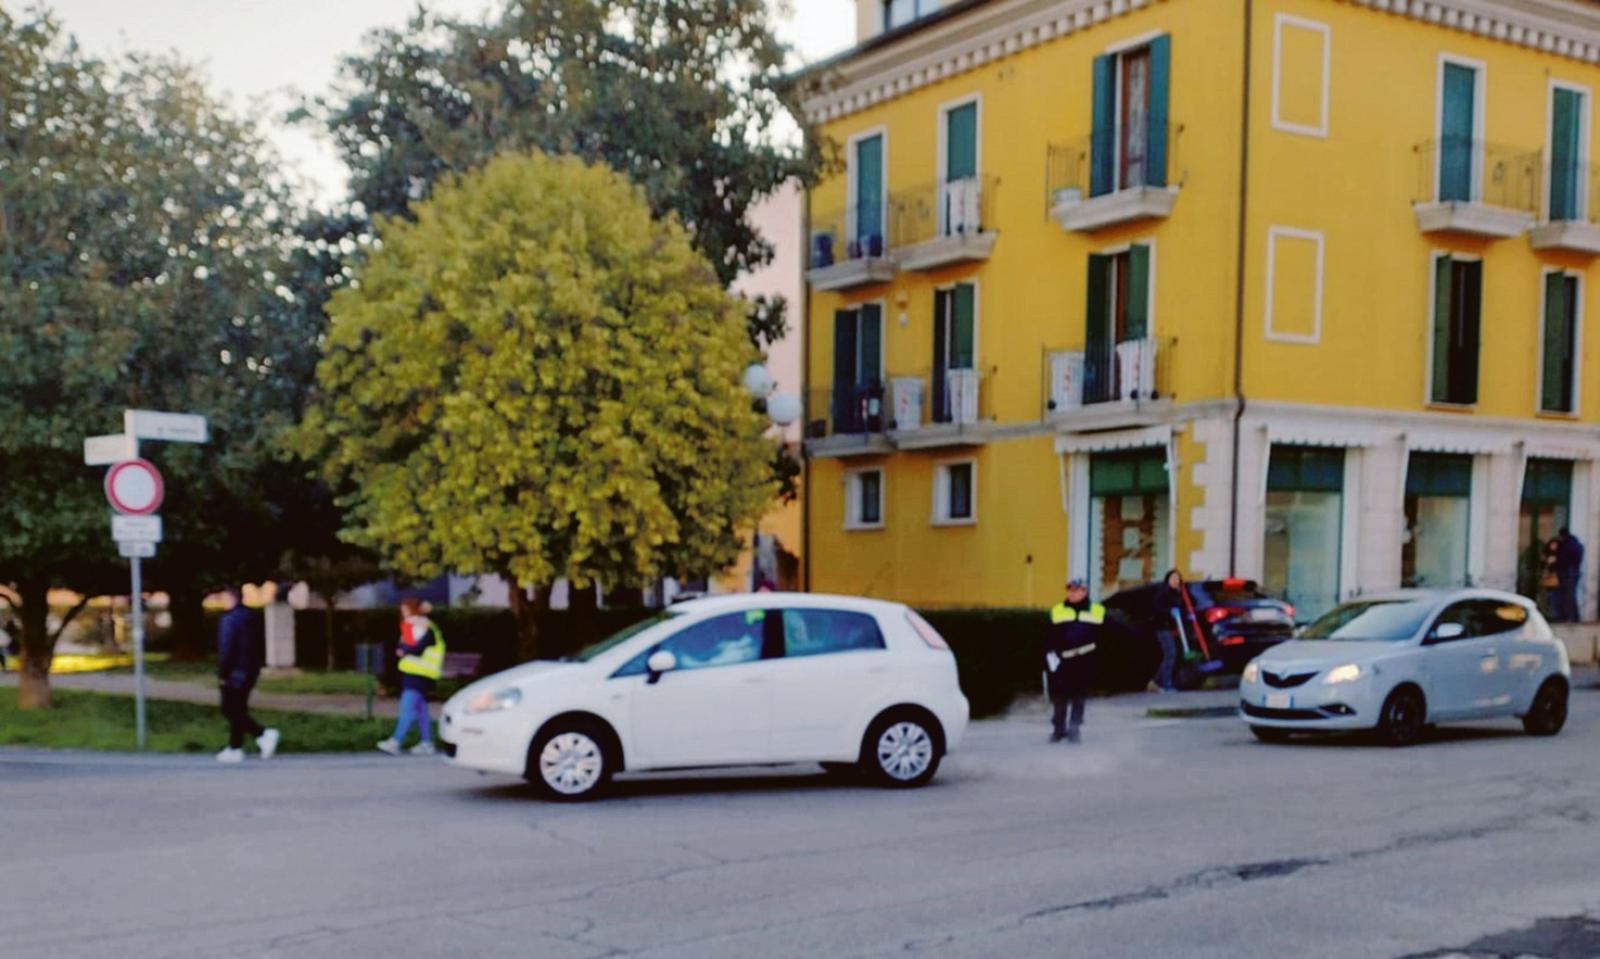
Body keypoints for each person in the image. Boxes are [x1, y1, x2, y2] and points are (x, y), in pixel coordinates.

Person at [216, 587, 279, 763]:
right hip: (250, 669)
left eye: (224, 597)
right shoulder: (250, 616)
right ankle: (235, 747)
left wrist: (223, 673)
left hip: (235, 672)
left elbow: (227, 648)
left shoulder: (230, 619)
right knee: (238, 709)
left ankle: (263, 734)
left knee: (229, 709)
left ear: (231, 598)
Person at [377, 598, 445, 756]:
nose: (403, 612)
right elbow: (407, 645)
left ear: (411, 610)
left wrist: (404, 650)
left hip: (418, 673)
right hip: (419, 673)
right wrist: (404, 648)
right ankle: (427, 743)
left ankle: (395, 741)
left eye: (405, 609)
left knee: (407, 707)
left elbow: (415, 648)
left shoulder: (420, 626)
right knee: (421, 710)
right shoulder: (423, 625)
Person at [1043, 578, 1106, 743]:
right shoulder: (1058, 610)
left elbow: (1104, 635)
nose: (1073, 593)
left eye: (1077, 590)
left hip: (1085, 658)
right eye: (1070, 590)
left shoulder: (1097, 610)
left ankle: (1074, 728)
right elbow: (1049, 634)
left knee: (1079, 695)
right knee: (1060, 696)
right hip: (1063, 659)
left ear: (1084, 592)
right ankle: (1058, 729)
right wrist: (1049, 654)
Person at [1148, 569, 1185, 693]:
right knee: (1170, 654)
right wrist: (1169, 612)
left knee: (1171, 655)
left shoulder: (1176, 594)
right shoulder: (1163, 593)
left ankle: (1155, 682)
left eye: (1178, 578)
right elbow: (1156, 610)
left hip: (1171, 628)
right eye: (1173, 578)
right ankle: (1165, 684)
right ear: (1168, 579)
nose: (1176, 580)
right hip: (1162, 627)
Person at [1552, 528, 1585, 623]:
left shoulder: (1567, 546)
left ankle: (1569, 617)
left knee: (1567, 596)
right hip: (1573, 573)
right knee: (1570, 596)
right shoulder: (1577, 545)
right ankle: (1573, 616)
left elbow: (1563, 560)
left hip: (1567, 573)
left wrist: (1556, 555)